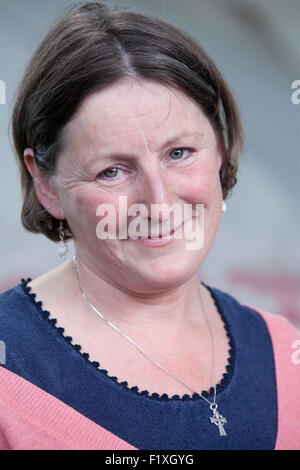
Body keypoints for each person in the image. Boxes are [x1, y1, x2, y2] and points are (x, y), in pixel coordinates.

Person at [0, 1, 299, 451]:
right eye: (112, 171)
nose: (158, 203)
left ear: (219, 149)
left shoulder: (284, 355)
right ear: (47, 184)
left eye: (179, 153)